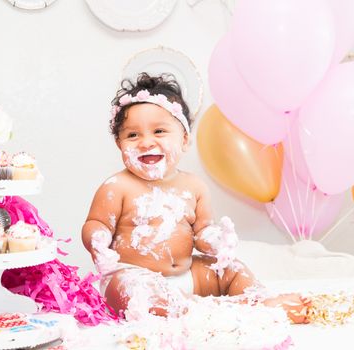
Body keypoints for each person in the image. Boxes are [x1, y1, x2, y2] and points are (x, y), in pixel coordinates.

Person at [81, 73, 309, 323]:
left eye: (159, 131)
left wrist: (214, 240)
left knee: (231, 268)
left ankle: (256, 300)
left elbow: (201, 231)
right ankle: (219, 310)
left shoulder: (193, 186)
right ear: (119, 143)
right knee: (130, 291)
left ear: (185, 139)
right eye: (133, 135)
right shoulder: (117, 186)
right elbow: (96, 223)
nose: (146, 142)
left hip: (189, 275)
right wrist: (98, 239)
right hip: (135, 275)